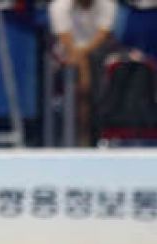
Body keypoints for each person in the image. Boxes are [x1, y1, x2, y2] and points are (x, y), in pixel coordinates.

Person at [48, 0, 117, 145]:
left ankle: (96, 130)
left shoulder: (109, 4)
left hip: (98, 54)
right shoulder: (58, 6)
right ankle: (75, 131)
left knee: (98, 69)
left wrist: (84, 58)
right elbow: (66, 41)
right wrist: (82, 64)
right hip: (66, 54)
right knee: (78, 80)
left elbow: (103, 36)